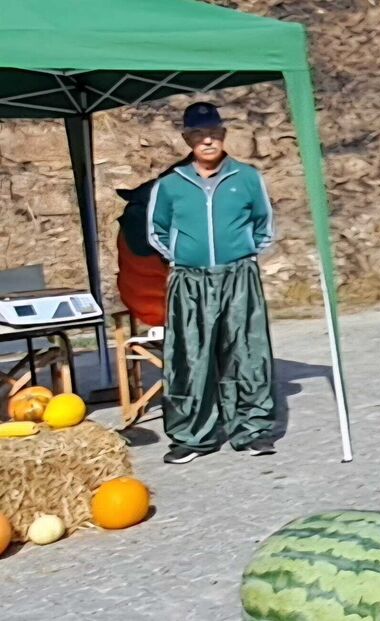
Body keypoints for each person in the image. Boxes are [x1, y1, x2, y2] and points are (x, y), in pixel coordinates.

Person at [147, 102, 277, 464]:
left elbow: (264, 224)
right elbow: (155, 230)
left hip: (238, 276)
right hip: (190, 281)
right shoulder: (171, 185)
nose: (208, 140)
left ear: (223, 135)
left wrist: (247, 254)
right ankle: (194, 435)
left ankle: (251, 430)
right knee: (190, 356)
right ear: (187, 138)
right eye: (200, 134)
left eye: (214, 133)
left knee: (246, 352)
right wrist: (180, 256)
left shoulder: (248, 178)